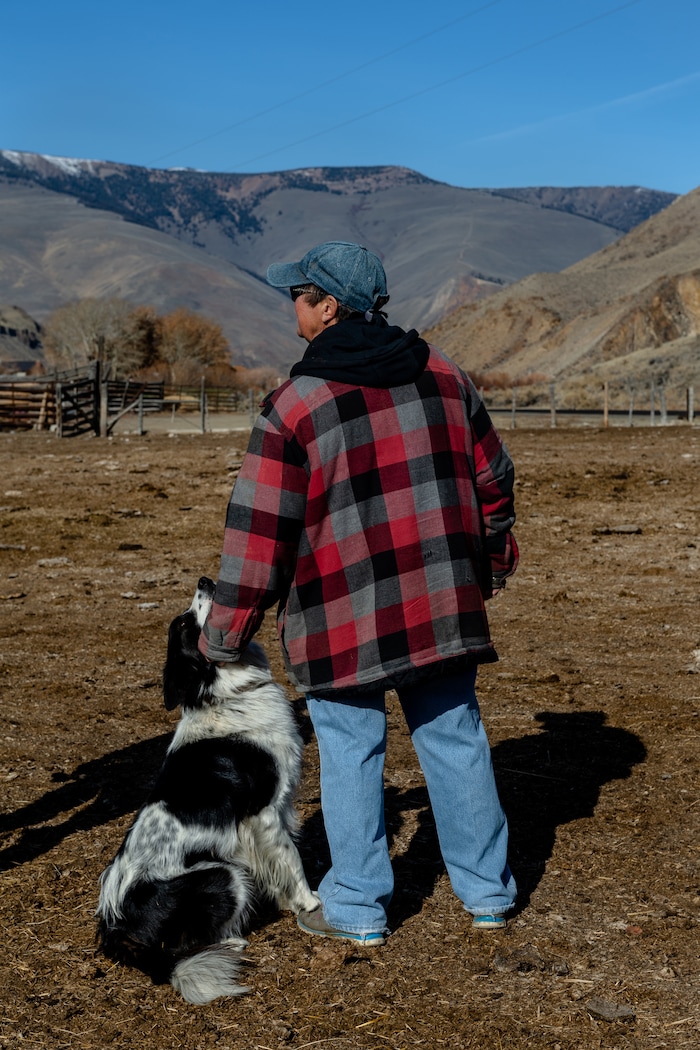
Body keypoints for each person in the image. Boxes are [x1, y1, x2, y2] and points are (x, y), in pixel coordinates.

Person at [199, 241, 518, 944]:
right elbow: (494, 480)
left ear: (329, 307)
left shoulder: (295, 405)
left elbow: (258, 536)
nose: (293, 308)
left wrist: (222, 634)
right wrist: (489, 565)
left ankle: (358, 908)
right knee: (455, 735)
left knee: (350, 748)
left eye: (300, 296)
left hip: (340, 615)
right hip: (441, 603)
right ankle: (489, 893)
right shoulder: (447, 377)